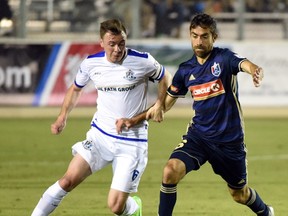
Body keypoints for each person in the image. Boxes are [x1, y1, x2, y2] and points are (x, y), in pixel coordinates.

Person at [116, 13, 274, 215]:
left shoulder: (223, 58)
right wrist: (135, 119)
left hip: (229, 142)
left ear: (214, 37)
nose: (199, 41)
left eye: (204, 36)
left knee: (239, 194)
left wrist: (255, 70)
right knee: (170, 171)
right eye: (195, 35)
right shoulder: (185, 70)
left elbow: (243, 64)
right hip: (199, 137)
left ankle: (265, 212)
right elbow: (164, 104)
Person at [31, 19, 171, 216]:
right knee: (67, 181)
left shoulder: (142, 60)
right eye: (112, 44)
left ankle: (134, 207)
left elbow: (165, 77)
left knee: (115, 207)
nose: (117, 49)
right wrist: (62, 115)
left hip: (132, 141)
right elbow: (75, 88)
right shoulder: (91, 63)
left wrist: (159, 103)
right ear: (102, 43)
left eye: (121, 43)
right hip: (100, 136)